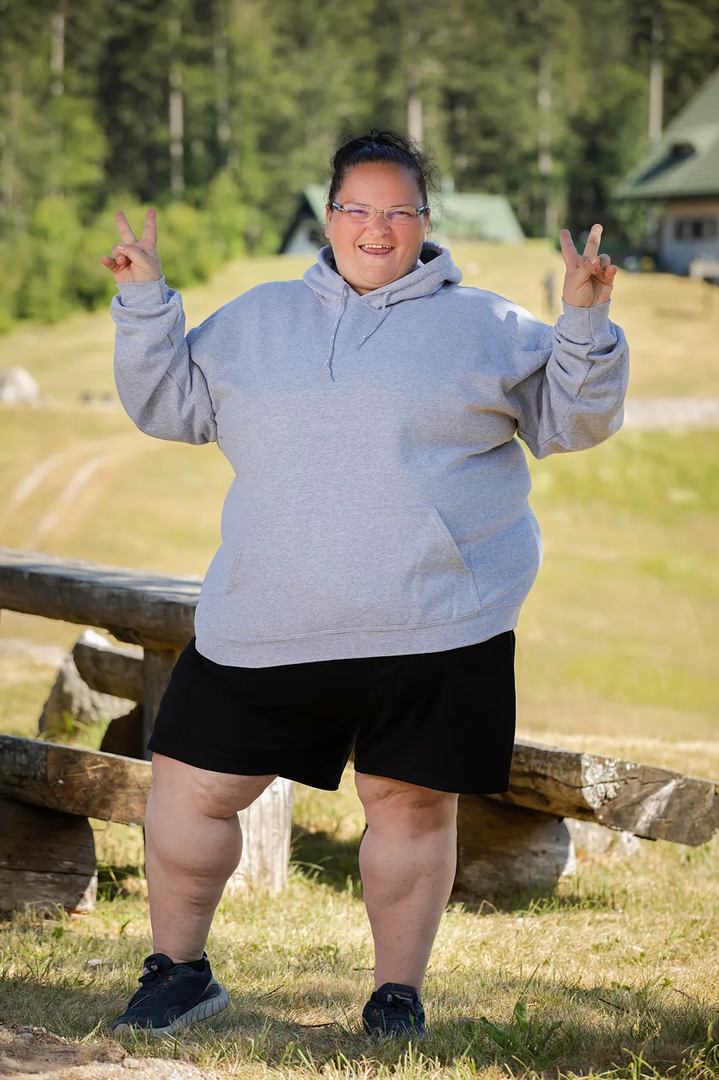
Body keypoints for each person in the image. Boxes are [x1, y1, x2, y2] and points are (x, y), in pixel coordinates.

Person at [103, 129, 629, 1039]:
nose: (377, 228)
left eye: (398, 211)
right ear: (329, 214)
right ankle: (178, 974)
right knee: (188, 791)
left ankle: (395, 1000)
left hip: (433, 620)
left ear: (425, 220)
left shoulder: (488, 324)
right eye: (358, 208)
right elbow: (170, 406)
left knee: (409, 807)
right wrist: (145, 301)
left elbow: (572, 422)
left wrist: (582, 320)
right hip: (269, 612)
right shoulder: (257, 319)